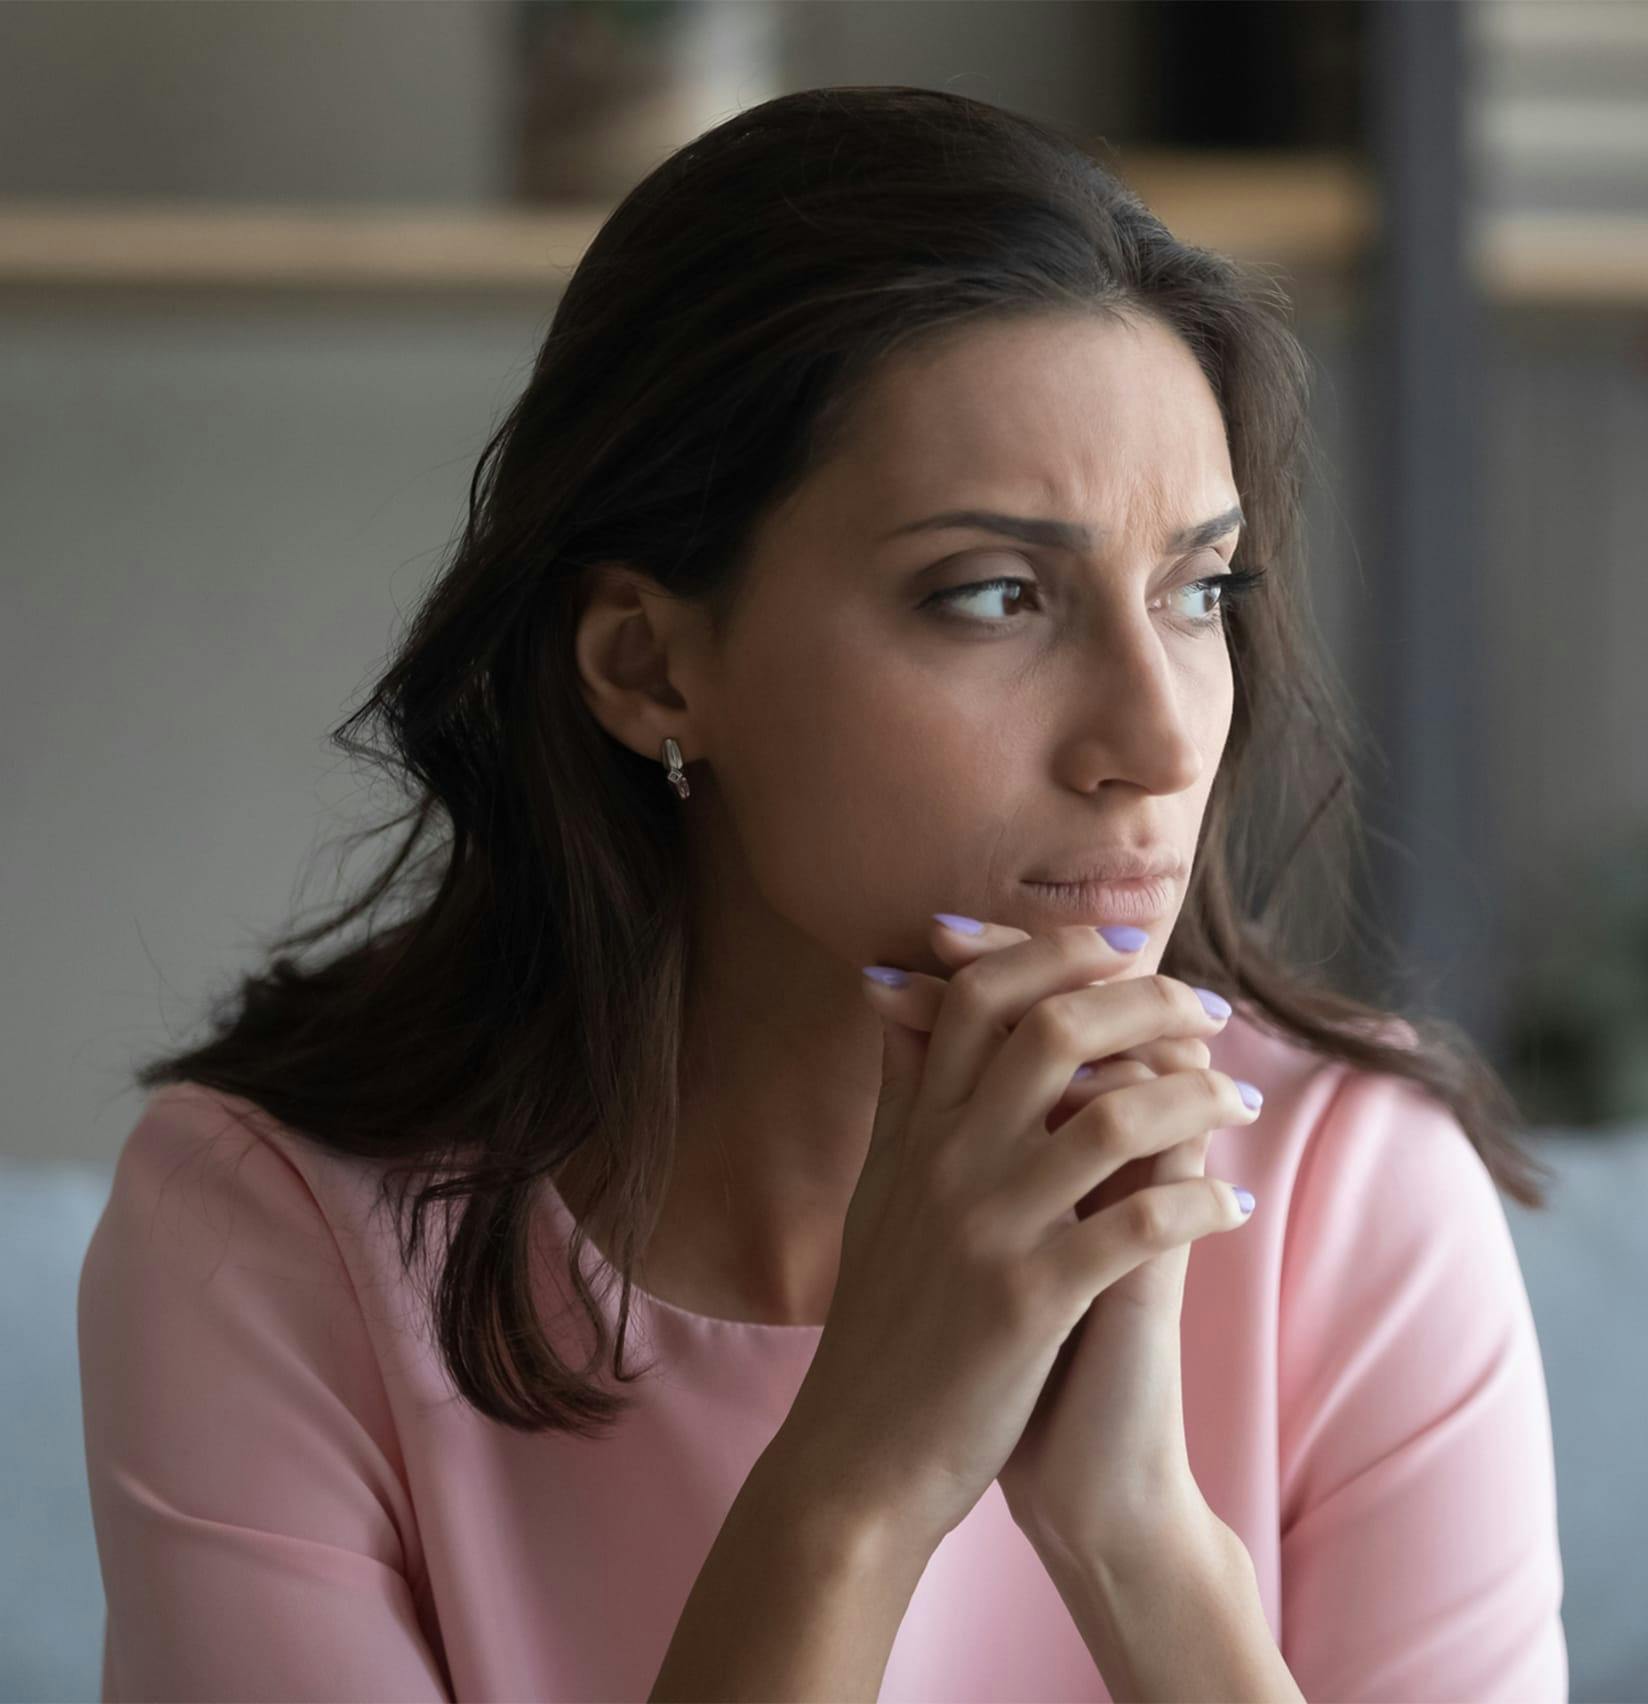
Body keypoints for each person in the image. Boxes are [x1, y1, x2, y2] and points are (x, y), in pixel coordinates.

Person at [79, 86, 1566, 1701]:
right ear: (649, 666)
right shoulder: (271, 1231)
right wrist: (859, 1484)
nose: (1155, 740)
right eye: (992, 597)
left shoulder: (1354, 1193)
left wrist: (1138, 1537)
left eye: (1198, 591)